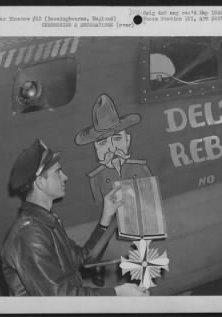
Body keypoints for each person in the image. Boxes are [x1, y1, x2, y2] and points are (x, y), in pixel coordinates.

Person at [1, 139, 149, 296]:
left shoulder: (46, 223)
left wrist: (107, 216)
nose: (65, 177)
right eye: (58, 172)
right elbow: (57, 298)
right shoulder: (30, 234)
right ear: (40, 182)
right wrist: (117, 294)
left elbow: (83, 259)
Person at [75, 94, 152, 285]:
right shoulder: (97, 177)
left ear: (127, 140)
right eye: (103, 143)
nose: (111, 148)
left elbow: (148, 192)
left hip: (136, 211)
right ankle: (97, 268)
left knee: (143, 237)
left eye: (116, 139)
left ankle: (143, 267)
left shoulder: (139, 168)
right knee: (102, 240)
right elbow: (100, 203)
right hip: (112, 215)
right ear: (97, 149)